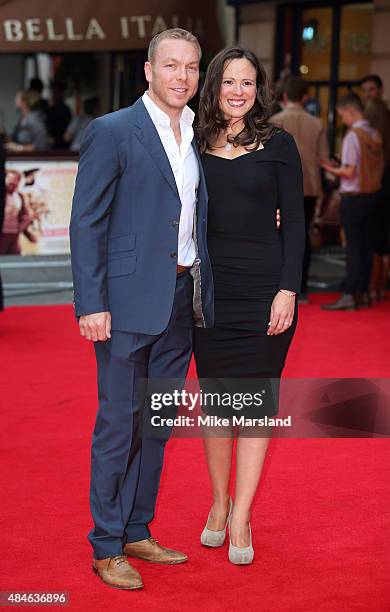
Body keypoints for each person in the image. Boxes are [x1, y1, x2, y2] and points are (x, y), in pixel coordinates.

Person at [70, 28, 213, 590]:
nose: (182, 77)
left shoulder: (197, 134)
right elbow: (87, 222)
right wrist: (91, 302)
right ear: (148, 71)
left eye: (192, 67)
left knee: (156, 425)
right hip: (125, 304)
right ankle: (105, 545)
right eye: (171, 66)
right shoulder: (112, 131)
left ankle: (136, 528)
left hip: (181, 299)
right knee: (117, 425)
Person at [193, 47, 305, 564]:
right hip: (211, 292)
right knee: (218, 405)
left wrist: (288, 289)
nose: (238, 91)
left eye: (248, 82)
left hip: (265, 291)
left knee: (256, 406)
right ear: (213, 85)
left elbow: (297, 225)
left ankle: (241, 517)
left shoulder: (279, 145)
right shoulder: (191, 142)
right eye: (228, 82)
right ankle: (219, 504)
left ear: (259, 90)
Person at [320, 93, 384, 310]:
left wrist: (329, 167)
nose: (343, 120)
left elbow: (349, 171)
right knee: (367, 246)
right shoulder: (374, 133)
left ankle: (350, 294)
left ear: (351, 111)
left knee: (353, 248)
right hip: (373, 195)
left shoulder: (352, 136)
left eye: (342, 115)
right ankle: (363, 293)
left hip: (354, 198)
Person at [271, 75, 329, 303]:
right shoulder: (317, 124)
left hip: (278, 185)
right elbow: (323, 158)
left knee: (278, 234)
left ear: (285, 96)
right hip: (309, 185)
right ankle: (301, 288)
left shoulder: (275, 121)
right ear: (305, 98)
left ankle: (280, 285)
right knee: (301, 234)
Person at [361, 74, 390, 301]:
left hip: (378, 180)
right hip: (382, 179)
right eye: (365, 90)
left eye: (370, 89)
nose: (367, 94)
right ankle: (377, 287)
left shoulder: (375, 110)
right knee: (379, 236)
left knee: (374, 236)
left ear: (379, 91)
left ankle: (373, 287)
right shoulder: (382, 110)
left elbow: (374, 148)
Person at [0, 170, 31, 255]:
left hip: (14, 234)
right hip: (2, 234)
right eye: (10, 178)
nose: (12, 181)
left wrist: (20, 228)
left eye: (15, 179)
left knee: (16, 257)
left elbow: (26, 216)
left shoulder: (19, 196)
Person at [47, 81, 71, 149]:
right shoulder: (51, 109)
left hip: (61, 142)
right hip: (53, 141)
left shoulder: (65, 109)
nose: (55, 94)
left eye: (57, 92)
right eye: (54, 92)